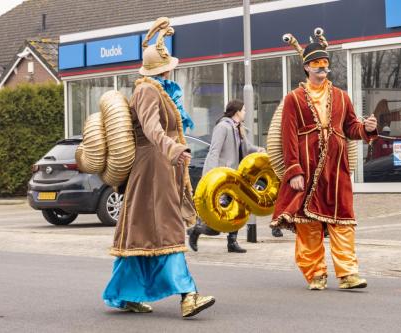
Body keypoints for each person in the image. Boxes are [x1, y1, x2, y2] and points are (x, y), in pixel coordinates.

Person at [102, 18, 215, 318]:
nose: (172, 69)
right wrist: (174, 149)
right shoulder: (148, 91)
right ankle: (188, 295)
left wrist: (173, 151)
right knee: (167, 229)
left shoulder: (155, 88)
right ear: (163, 68)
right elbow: (152, 129)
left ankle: (125, 294)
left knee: (141, 232)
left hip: (156, 168)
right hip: (153, 169)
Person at [271, 28, 378, 290]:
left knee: (343, 220)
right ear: (307, 67)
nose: (322, 68)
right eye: (317, 64)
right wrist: (293, 171)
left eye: (325, 64)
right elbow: (288, 137)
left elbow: (351, 128)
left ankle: (348, 273)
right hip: (306, 170)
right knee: (308, 224)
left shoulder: (342, 96)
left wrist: (368, 128)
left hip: (336, 169)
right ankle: (315, 273)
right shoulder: (293, 99)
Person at [187, 100, 265, 253]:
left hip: (236, 176)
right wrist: (211, 176)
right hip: (222, 177)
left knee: (236, 208)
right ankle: (196, 231)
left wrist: (259, 150)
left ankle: (232, 242)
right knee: (217, 214)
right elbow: (214, 151)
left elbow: (247, 148)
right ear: (236, 111)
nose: (245, 112)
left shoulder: (239, 129)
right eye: (243, 110)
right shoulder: (222, 127)